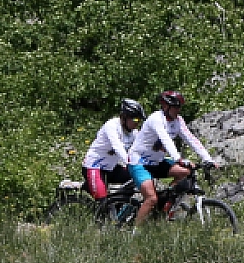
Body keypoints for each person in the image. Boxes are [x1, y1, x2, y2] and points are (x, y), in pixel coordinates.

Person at [128, 90, 217, 227]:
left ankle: (164, 205)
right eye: (175, 107)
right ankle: (135, 233)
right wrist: (178, 158)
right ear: (165, 106)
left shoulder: (178, 121)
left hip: (157, 162)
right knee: (151, 198)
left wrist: (208, 159)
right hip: (139, 161)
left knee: (186, 173)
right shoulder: (156, 119)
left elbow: (191, 139)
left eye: (179, 107)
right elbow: (165, 139)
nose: (178, 110)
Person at [82, 99, 143, 201]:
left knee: (135, 178)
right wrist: (130, 162)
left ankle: (119, 204)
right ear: (124, 117)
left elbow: (140, 148)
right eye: (135, 120)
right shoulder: (111, 126)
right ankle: (101, 214)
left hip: (111, 168)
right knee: (103, 202)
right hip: (94, 167)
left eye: (139, 120)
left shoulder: (133, 132)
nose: (137, 123)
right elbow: (117, 146)